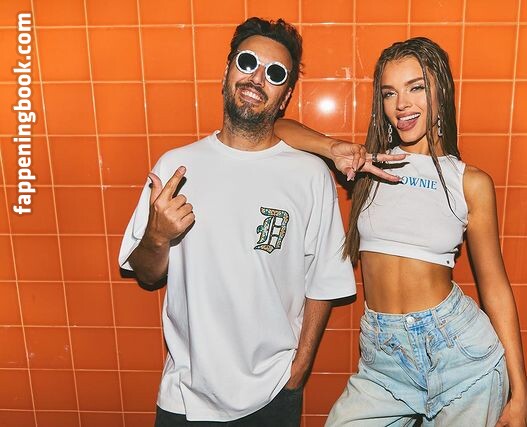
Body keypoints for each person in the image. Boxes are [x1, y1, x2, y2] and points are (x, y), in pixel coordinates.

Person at [274, 37, 527, 426]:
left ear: (441, 91)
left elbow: (494, 287)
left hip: (460, 356)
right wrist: (334, 147)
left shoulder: (470, 182)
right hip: (383, 358)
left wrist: (521, 392)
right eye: (390, 93)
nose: (401, 104)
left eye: (416, 88)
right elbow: (278, 128)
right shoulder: (371, 164)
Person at [118, 17, 360, 427]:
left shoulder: (309, 175)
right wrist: (157, 237)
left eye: (275, 73)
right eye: (247, 62)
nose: (257, 78)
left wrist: (298, 371)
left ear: (284, 97)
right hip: (185, 395)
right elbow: (146, 274)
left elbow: (323, 280)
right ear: (226, 73)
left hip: (273, 392)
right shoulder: (176, 166)